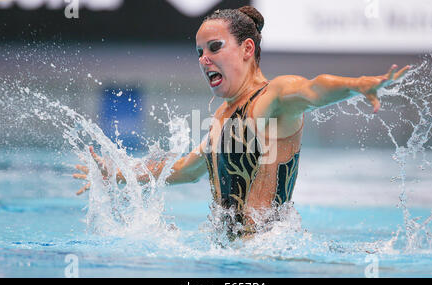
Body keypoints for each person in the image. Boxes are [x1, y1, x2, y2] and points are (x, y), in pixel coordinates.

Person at [73, 6, 409, 238]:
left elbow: (314, 88)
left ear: (247, 49)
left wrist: (360, 84)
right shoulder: (223, 116)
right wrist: (116, 175)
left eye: (215, 47)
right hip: (232, 257)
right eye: (199, 52)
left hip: (268, 255)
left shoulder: (273, 96)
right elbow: (189, 169)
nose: (204, 59)